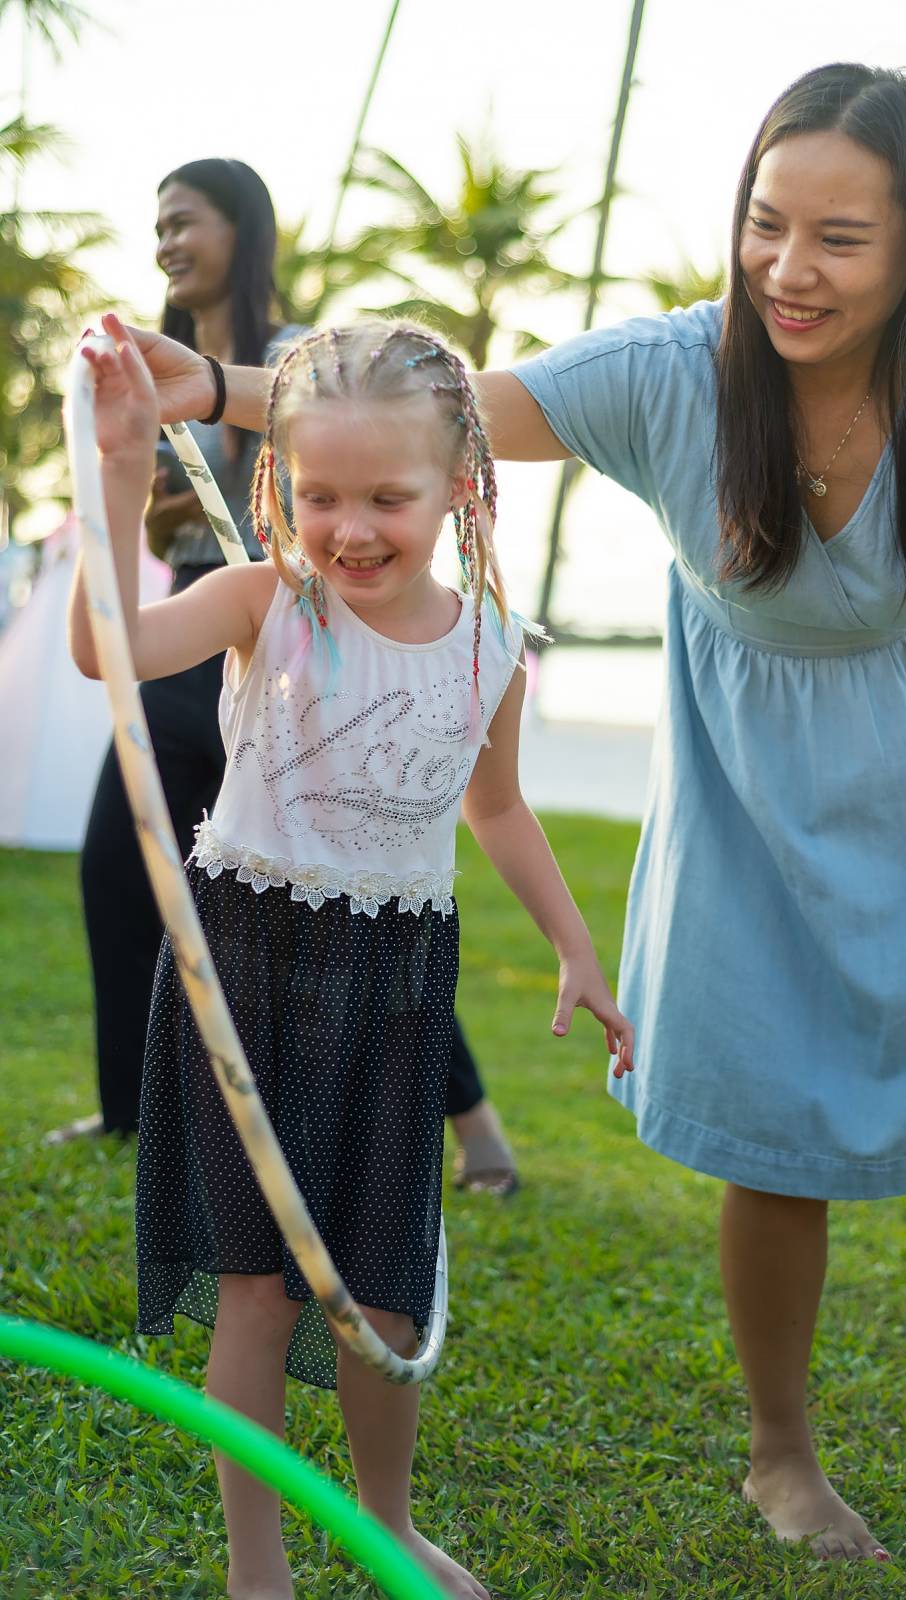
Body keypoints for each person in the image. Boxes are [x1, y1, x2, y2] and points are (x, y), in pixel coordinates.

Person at [124, 61, 906, 1567]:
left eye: (840, 239)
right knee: (771, 1142)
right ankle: (779, 1456)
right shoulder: (678, 372)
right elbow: (447, 408)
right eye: (766, 223)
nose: (787, 268)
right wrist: (220, 389)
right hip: (748, 813)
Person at [70, 313, 634, 1599]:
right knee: (259, 1292)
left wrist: (575, 945)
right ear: (276, 482)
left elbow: (497, 806)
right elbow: (105, 650)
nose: (352, 528)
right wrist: (118, 466)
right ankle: (255, 1566)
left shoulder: (491, 647)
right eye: (320, 495)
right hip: (244, 965)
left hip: (391, 984)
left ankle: (387, 1524)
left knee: (384, 1292)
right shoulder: (264, 604)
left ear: (461, 484)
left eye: (389, 496)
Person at [52, 158, 519, 1199]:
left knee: (345, 882)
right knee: (121, 867)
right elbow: (154, 548)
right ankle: (132, 1108)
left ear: (243, 229)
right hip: (205, 616)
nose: (168, 243)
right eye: (158, 225)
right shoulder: (162, 367)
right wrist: (143, 497)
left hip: (303, 636)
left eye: (187, 221)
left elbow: (345, 461)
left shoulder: (293, 360)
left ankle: (473, 1121)